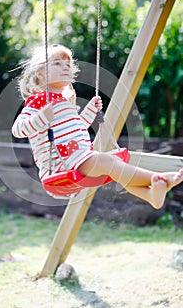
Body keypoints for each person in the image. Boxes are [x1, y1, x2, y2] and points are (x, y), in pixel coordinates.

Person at [12, 44, 183, 208]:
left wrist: (90, 111)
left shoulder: (65, 102)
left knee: (114, 164)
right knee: (108, 161)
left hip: (77, 156)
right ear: (41, 73)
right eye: (57, 63)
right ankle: (160, 178)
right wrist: (41, 118)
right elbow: (18, 129)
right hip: (61, 165)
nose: (65, 67)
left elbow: (77, 129)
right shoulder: (40, 99)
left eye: (68, 64)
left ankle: (150, 196)